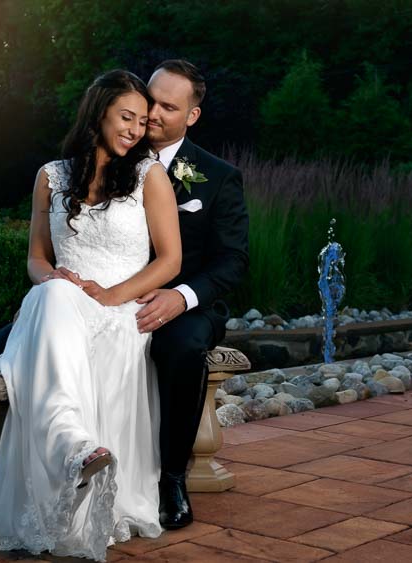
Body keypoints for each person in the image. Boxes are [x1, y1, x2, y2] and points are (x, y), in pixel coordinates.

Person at [0, 70, 180, 561]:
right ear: (98, 114)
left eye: (141, 121)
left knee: (55, 312)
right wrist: (54, 279)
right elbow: (36, 258)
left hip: (119, 308)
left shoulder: (150, 176)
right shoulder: (51, 175)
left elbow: (169, 261)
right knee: (49, 298)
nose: (135, 129)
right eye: (125, 117)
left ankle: (70, 449)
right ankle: (74, 446)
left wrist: (111, 295)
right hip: (62, 304)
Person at [133, 60, 249, 529]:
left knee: (179, 346)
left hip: (189, 302)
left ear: (192, 116)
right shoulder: (115, 155)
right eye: (150, 100)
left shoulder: (217, 177)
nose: (153, 113)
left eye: (168, 106)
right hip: (117, 294)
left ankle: (171, 478)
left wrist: (181, 296)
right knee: (10, 343)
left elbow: (233, 261)